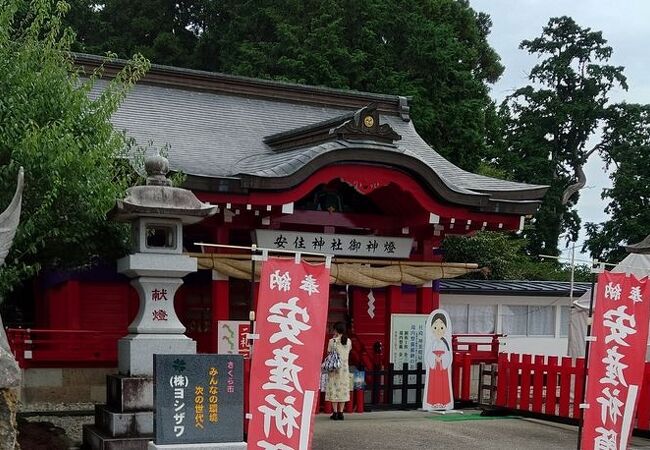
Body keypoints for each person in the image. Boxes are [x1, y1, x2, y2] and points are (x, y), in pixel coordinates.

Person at [424, 312, 453, 410]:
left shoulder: (445, 343)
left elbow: (448, 354)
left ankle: (444, 402)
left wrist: (442, 359)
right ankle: (433, 402)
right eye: (435, 328)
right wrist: (434, 357)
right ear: (432, 328)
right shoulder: (432, 342)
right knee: (434, 384)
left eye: (441, 328)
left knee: (443, 384)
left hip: (442, 368)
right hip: (434, 368)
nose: (438, 330)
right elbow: (428, 354)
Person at [325, 321, 352, 420]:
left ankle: (335, 413)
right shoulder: (348, 341)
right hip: (344, 370)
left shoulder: (332, 341)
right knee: (343, 390)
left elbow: (329, 352)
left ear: (336, 330)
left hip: (334, 369)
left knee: (334, 389)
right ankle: (341, 413)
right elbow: (348, 351)